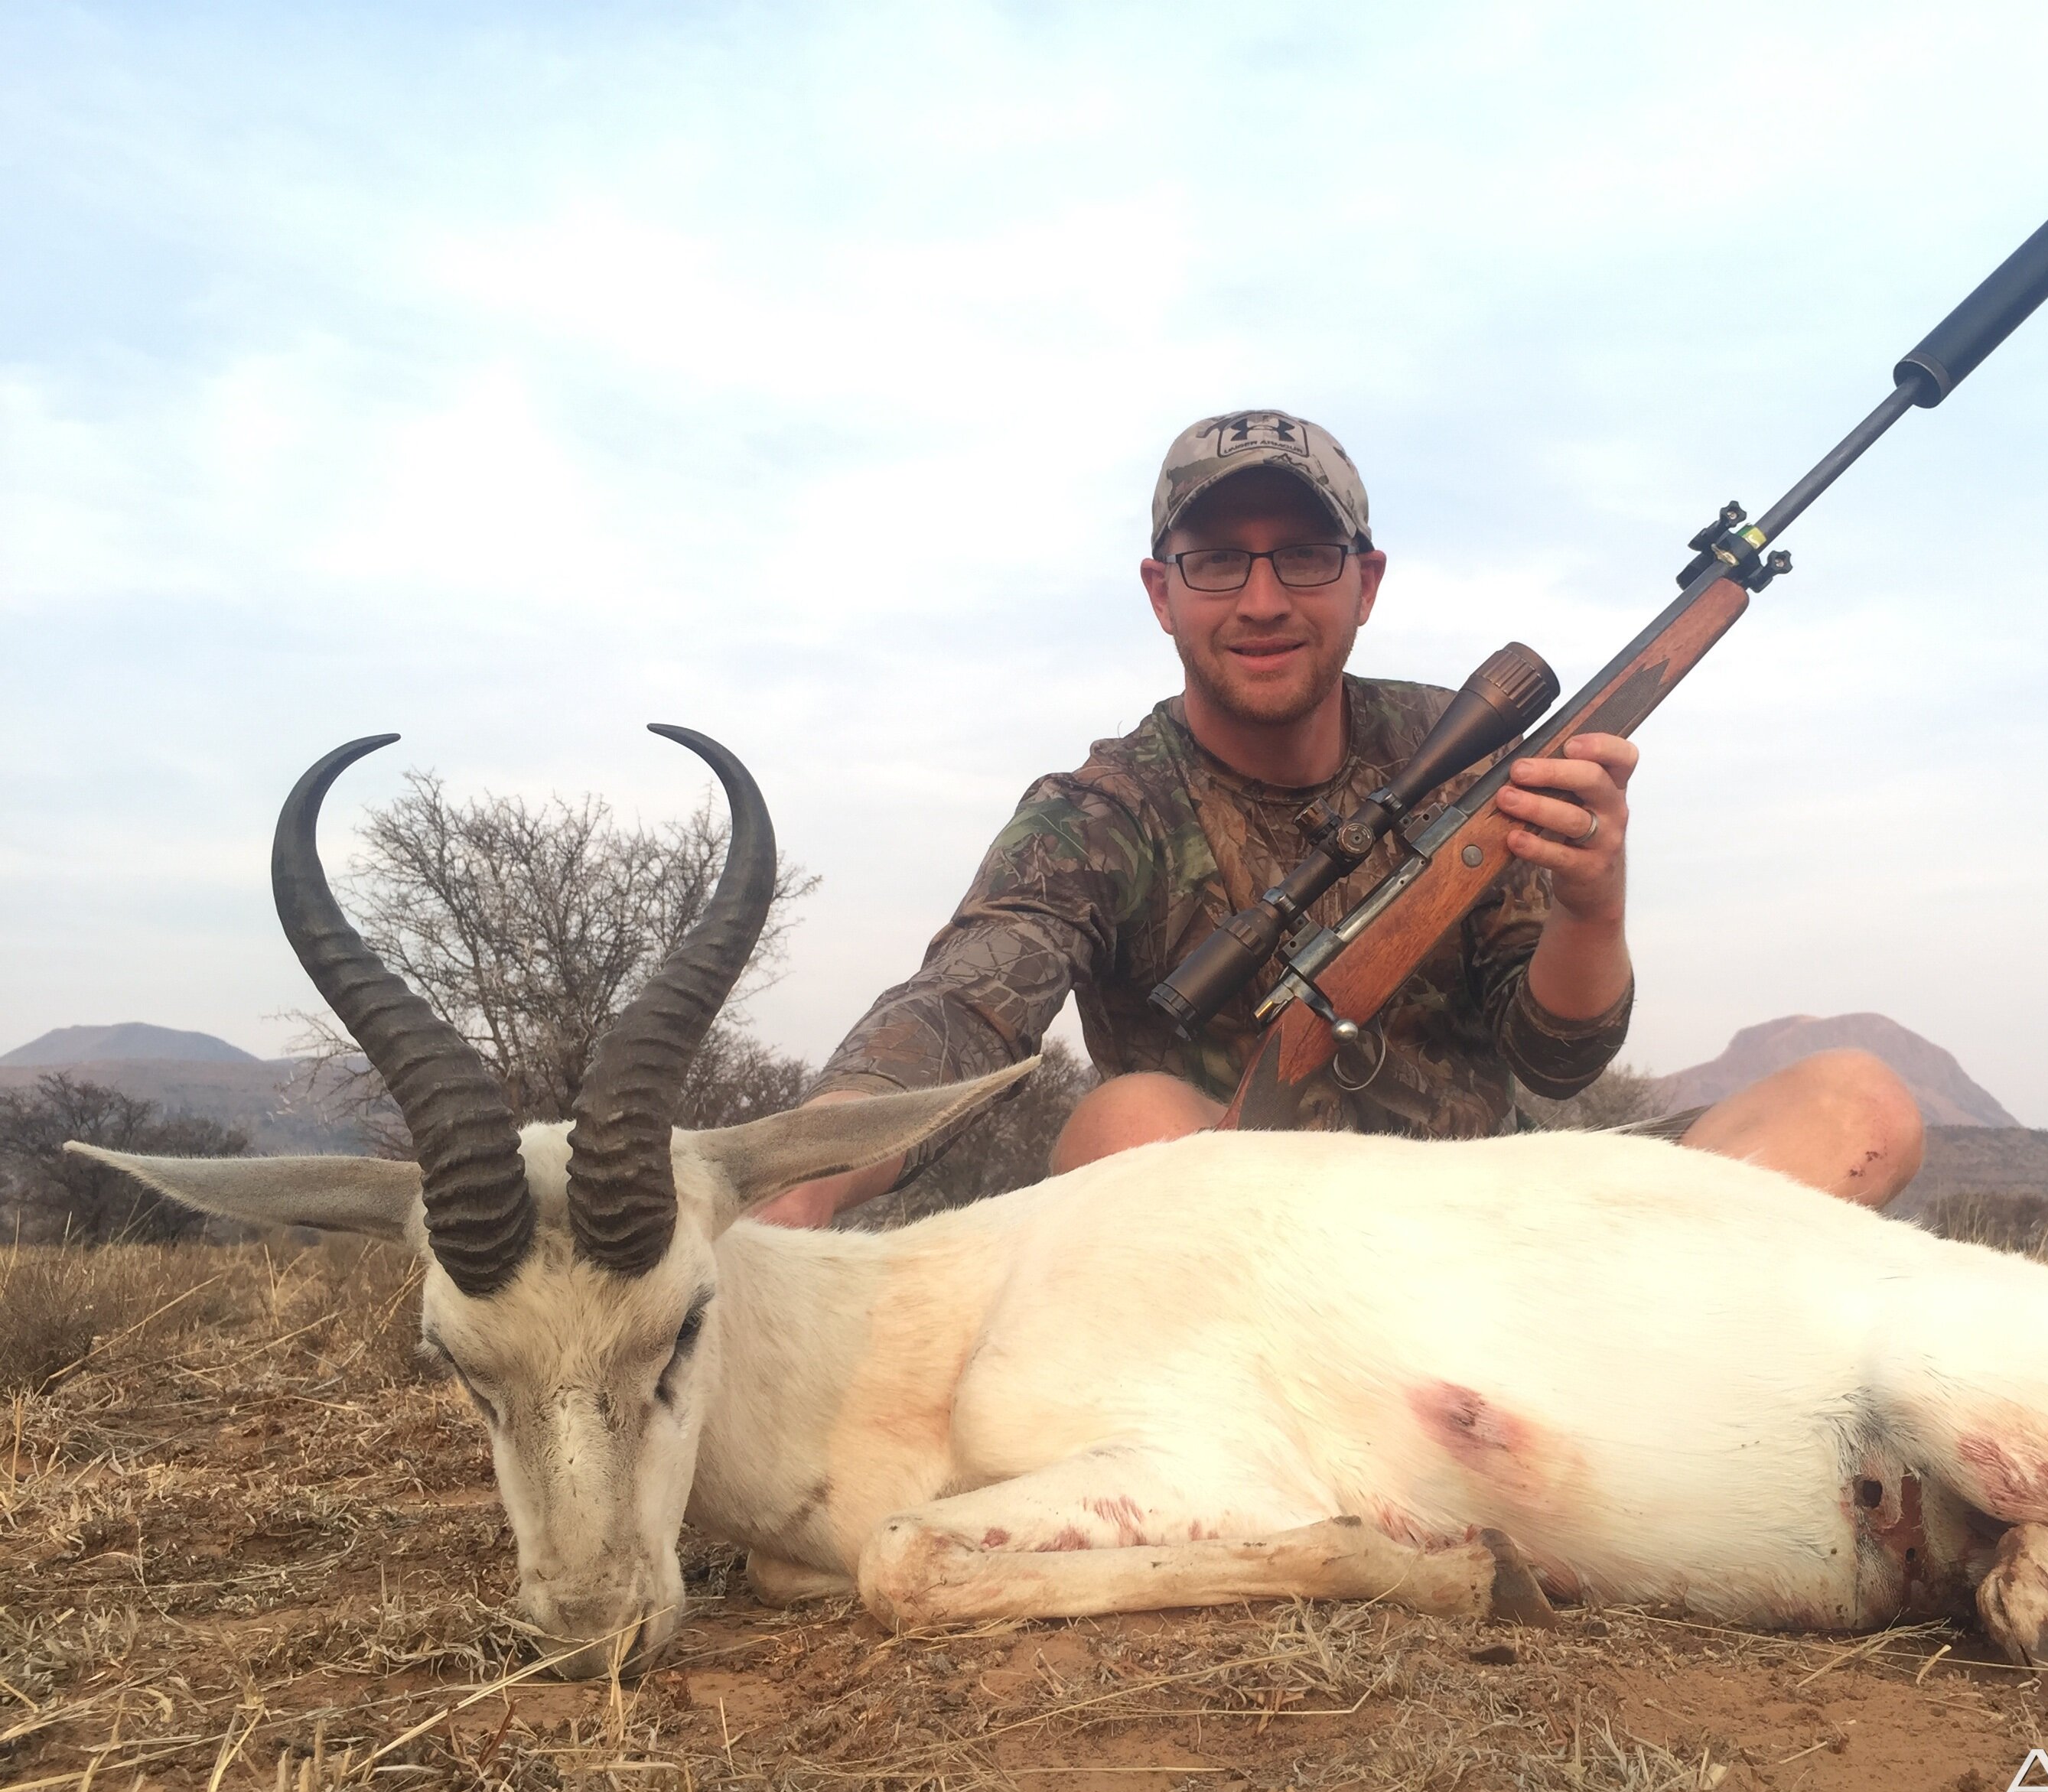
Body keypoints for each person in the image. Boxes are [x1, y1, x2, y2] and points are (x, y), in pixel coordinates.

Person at [757, 410, 1923, 1226]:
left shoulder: (1458, 753)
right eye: (1219, 561)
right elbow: (959, 1015)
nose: (1263, 601)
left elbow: (1555, 1062)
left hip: (1509, 1229)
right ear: (1162, 592)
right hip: (1263, 1272)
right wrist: (785, 1190)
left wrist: (1590, 899)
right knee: (1128, 1127)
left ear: (1365, 584)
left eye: (1305, 558)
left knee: (1855, 1102)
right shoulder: (1099, 813)